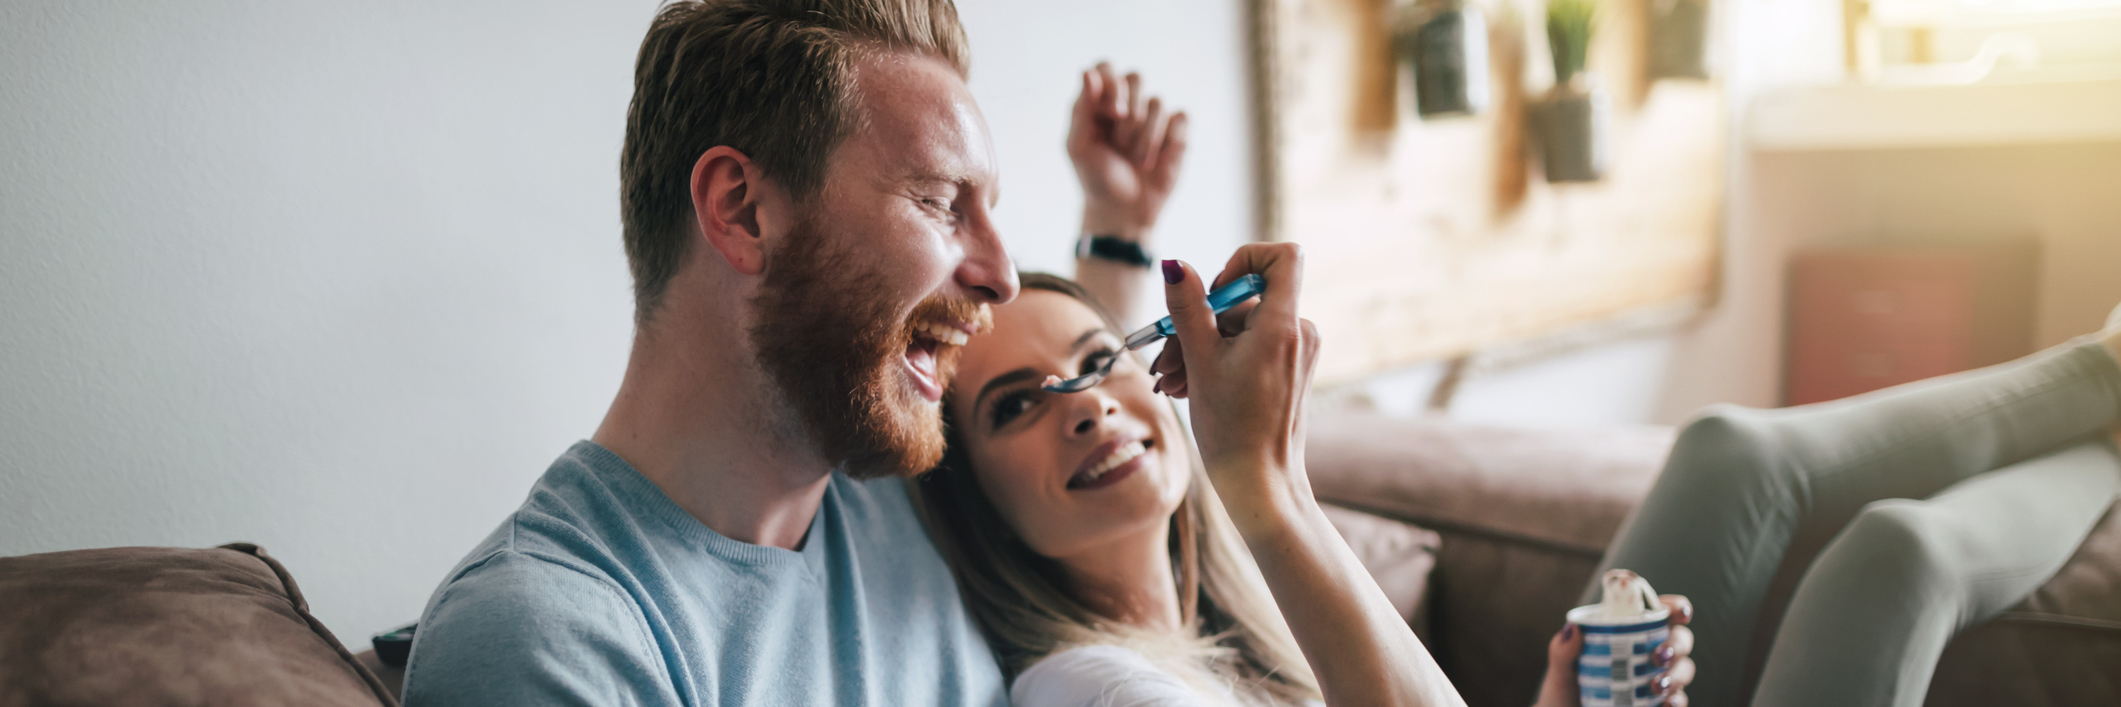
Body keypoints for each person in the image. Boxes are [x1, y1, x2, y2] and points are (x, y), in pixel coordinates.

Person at [912, 67, 1698, 707]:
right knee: (1727, 458)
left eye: (1098, 361)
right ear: (974, 500)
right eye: (1014, 406)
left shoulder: (1230, 635)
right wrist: (1269, 478)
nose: (1089, 405)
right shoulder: (1096, 690)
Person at [402, 0, 1021, 704]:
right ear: (742, 211)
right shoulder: (545, 636)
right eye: (940, 202)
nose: (1004, 276)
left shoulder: (905, 492)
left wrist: (1111, 225)